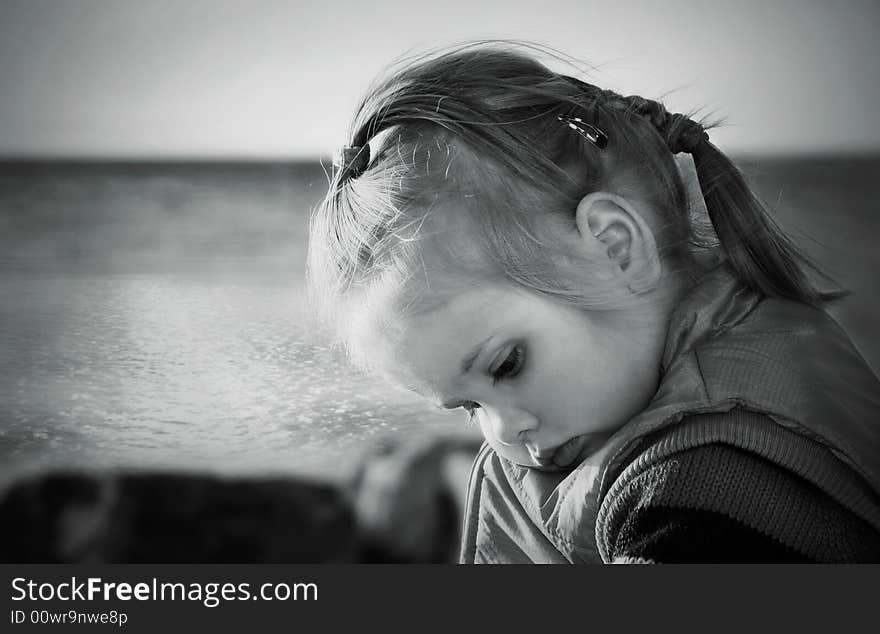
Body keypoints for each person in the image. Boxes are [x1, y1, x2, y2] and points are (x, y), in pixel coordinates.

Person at [307, 42, 880, 563]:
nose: (504, 432)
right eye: (468, 407)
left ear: (616, 246)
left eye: (507, 365)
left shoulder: (701, 504)